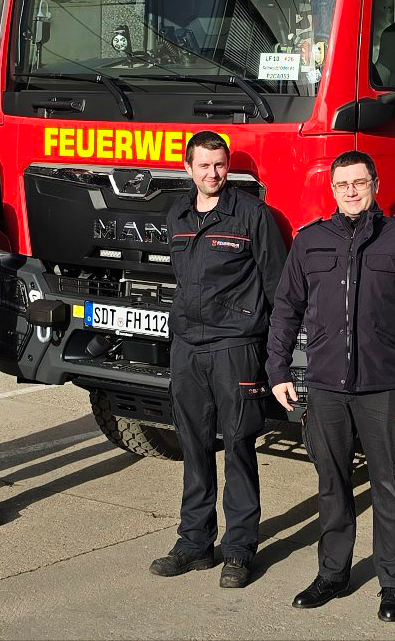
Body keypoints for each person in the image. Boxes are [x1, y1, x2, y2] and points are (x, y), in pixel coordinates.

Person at [267, 151, 395, 623]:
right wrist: (278, 370)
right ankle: (333, 574)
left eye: (359, 182)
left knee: (389, 486)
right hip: (326, 386)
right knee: (332, 484)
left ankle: (393, 584)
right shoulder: (310, 242)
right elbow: (285, 309)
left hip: (385, 387)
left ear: (375, 184)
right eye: (342, 183)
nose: (351, 190)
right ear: (332, 189)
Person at [149, 131, 286, 589]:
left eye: (220, 165)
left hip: (235, 348)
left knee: (241, 448)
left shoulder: (252, 215)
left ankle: (241, 550)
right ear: (188, 168)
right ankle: (194, 544)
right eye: (204, 165)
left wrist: (272, 354)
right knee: (194, 447)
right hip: (187, 348)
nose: (212, 173)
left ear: (229, 167)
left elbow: (276, 286)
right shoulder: (178, 215)